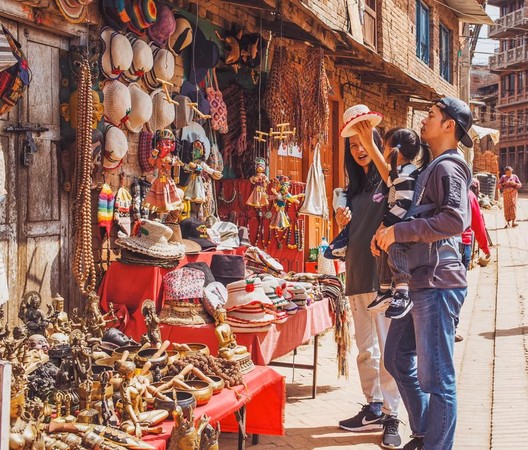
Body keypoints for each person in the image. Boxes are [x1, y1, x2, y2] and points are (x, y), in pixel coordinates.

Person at [373, 97, 472, 450]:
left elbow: (455, 220)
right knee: (397, 358)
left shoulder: (448, 168)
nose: (424, 120)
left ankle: (436, 444)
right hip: (420, 280)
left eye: (431, 115)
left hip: (438, 283)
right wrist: (388, 235)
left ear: (449, 126)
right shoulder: (434, 166)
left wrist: (398, 232)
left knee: (438, 378)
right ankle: (424, 433)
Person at [336, 126, 402, 449]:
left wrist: (372, 143)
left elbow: (393, 178)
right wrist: (340, 222)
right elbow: (352, 230)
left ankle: (392, 414)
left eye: (363, 143)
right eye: (352, 146)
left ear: (376, 144)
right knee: (365, 350)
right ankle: (373, 405)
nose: (358, 150)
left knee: (388, 349)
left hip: (382, 278)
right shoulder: (355, 188)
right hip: (356, 275)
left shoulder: (387, 182)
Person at [353, 124, 431, 319]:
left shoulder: (406, 174)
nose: (382, 151)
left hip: (406, 224)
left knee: (393, 247)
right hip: (398, 223)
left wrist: (385, 226)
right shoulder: (400, 172)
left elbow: (402, 204)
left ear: (392, 149)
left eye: (384, 147)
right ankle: (385, 289)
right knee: (383, 246)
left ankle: (402, 292)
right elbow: (388, 178)